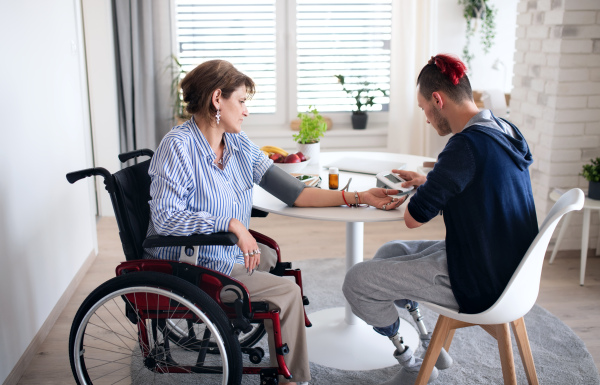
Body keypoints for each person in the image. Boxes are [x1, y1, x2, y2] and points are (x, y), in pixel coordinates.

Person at [144, 59, 400, 385]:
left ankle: (272, 329)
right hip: (191, 265)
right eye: (241, 101)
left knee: (271, 257)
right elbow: (166, 218)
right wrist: (233, 225)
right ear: (217, 99)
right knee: (289, 292)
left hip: (222, 254)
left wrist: (360, 196)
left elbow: (296, 192)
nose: (246, 111)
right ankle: (293, 379)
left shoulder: (236, 144)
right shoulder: (177, 147)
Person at [342, 54, 539, 384]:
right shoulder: (502, 128)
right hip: (504, 262)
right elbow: (480, 186)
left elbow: (413, 218)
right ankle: (424, 338)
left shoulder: (463, 146)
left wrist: (418, 193)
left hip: (481, 280)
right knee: (391, 253)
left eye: (423, 110)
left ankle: (412, 359)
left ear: (438, 99)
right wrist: (430, 182)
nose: (427, 119)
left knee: (357, 282)